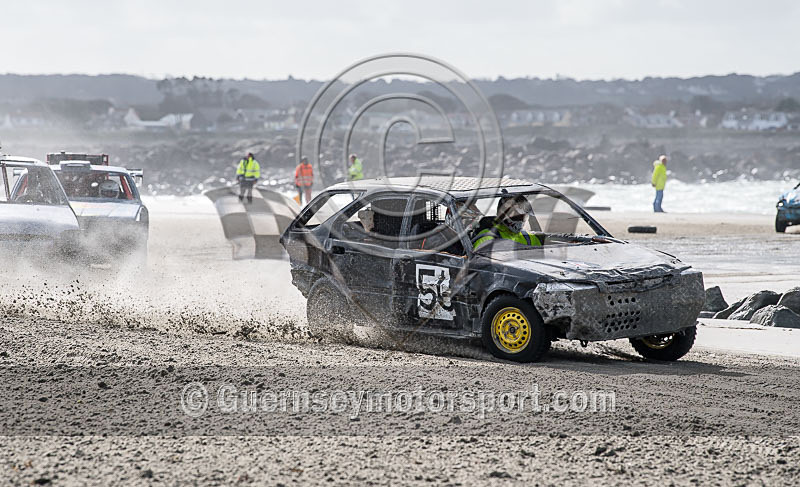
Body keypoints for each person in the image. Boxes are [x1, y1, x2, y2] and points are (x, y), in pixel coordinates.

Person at [472, 195, 543, 250]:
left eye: (522, 217)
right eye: (516, 216)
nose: (520, 220)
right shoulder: (487, 239)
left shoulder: (529, 238)